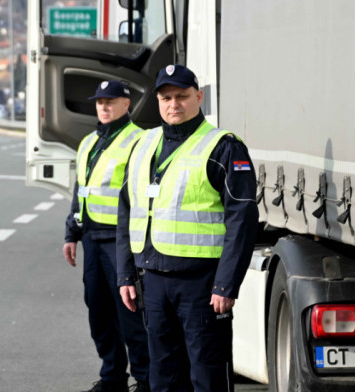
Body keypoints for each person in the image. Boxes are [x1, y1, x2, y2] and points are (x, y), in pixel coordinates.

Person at [116, 65, 259, 392]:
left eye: (182, 96)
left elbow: (242, 218)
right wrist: (125, 275)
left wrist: (227, 284)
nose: (173, 104)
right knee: (163, 379)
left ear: (199, 96)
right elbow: (128, 211)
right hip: (153, 282)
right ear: (157, 100)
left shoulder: (223, 146)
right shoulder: (143, 144)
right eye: (166, 98)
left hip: (202, 286)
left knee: (207, 377)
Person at [64, 80, 151, 392]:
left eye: (110, 101)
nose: (103, 107)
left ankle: (146, 380)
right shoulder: (88, 142)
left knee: (130, 312)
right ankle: (112, 377)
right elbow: (81, 189)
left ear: (126, 104)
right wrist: (71, 232)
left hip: (121, 239)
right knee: (98, 310)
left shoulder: (139, 141)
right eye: (100, 102)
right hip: (91, 238)